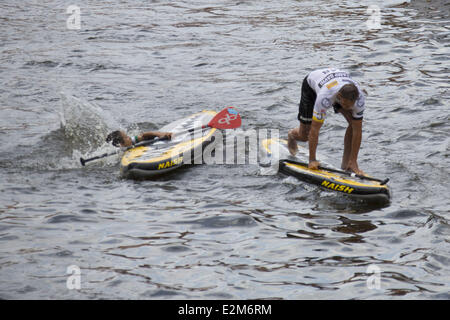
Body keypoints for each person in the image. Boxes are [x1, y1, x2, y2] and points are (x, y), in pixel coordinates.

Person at [287, 68, 366, 175]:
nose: (348, 108)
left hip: (337, 83)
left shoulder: (360, 99)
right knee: (305, 135)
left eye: (351, 105)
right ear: (339, 97)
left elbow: (358, 131)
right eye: (346, 105)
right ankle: (292, 134)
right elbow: (315, 130)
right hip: (312, 86)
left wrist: (355, 161)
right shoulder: (324, 97)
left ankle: (348, 164)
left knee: (353, 124)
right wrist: (312, 160)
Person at [106, 130, 172, 147]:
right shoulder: (119, 148)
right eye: (126, 137)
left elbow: (150, 134)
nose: (129, 137)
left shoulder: (134, 140)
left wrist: (162, 135)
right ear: (121, 143)